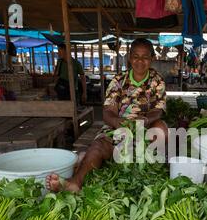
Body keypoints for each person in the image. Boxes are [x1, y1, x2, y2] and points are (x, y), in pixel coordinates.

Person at [46, 38, 168, 192]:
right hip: (120, 127)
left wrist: (146, 119)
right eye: (136, 56)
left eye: (145, 57)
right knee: (97, 147)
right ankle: (75, 182)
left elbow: (159, 109)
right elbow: (108, 112)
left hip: (145, 128)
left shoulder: (157, 81)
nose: (140, 61)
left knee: (162, 128)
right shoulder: (118, 80)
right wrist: (117, 122)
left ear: (152, 59)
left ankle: (152, 163)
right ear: (130, 58)